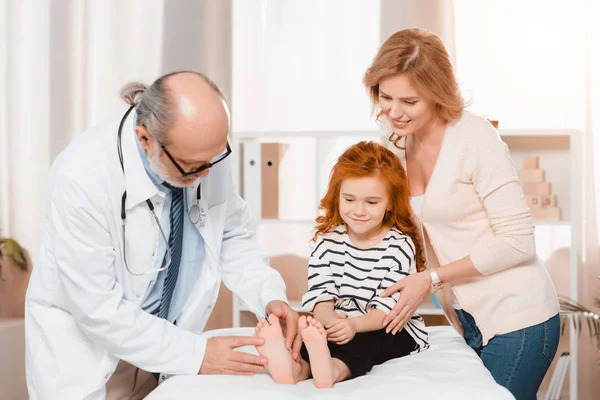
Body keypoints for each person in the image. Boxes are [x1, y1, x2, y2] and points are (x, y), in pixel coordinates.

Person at [25, 71, 301, 400]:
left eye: (214, 158)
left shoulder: (203, 151)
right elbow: (97, 308)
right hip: (91, 359)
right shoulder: (82, 176)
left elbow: (231, 235)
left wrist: (269, 296)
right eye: (193, 166)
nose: (208, 173)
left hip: (166, 352)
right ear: (145, 139)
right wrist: (198, 354)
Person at [362, 28, 560, 399]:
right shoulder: (399, 137)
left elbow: (518, 241)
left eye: (409, 101)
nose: (393, 111)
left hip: (520, 317)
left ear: (437, 93)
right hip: (470, 318)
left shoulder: (474, 138)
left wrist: (432, 278)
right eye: (384, 96)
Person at [252, 141, 429, 388]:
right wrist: (330, 323)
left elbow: (390, 311)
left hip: (386, 325)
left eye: (372, 202)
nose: (359, 210)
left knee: (367, 340)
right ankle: (297, 368)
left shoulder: (399, 246)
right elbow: (322, 297)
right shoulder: (326, 242)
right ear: (338, 196)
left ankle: (333, 371)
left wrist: (354, 325)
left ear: (390, 202)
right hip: (343, 320)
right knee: (314, 334)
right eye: (349, 199)